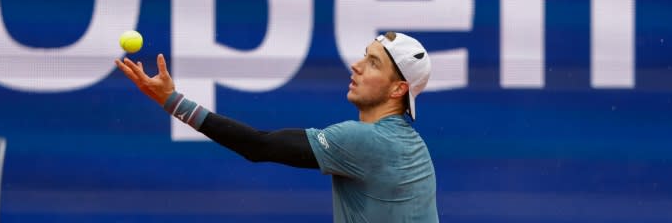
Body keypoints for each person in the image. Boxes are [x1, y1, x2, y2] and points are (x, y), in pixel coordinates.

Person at [115, 31, 439, 222]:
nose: (356, 65)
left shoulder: (366, 141)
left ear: (398, 89)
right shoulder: (409, 144)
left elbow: (258, 146)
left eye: (373, 63)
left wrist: (172, 100)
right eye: (364, 56)